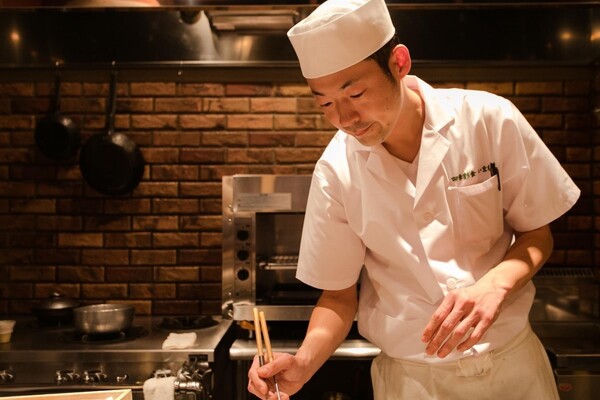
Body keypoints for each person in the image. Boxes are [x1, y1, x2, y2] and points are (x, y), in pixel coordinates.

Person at [247, 0, 580, 399]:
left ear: (399, 63)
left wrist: (494, 286)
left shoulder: (488, 119)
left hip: (514, 369)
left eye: (355, 92)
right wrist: (303, 362)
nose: (345, 118)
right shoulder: (336, 170)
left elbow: (537, 235)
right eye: (325, 103)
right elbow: (338, 296)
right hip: (412, 382)